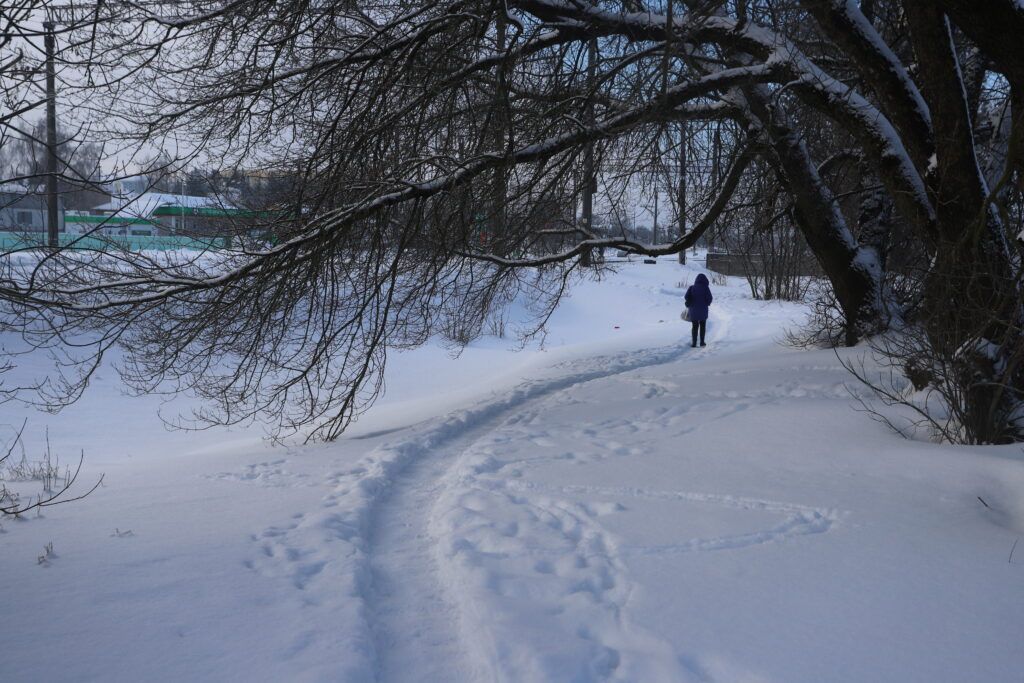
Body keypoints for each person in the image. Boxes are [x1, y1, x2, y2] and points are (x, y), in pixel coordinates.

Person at [684, 273, 713, 347]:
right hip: (703, 311)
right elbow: (710, 298)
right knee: (702, 326)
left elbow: (686, 297)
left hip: (693, 311)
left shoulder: (691, 287)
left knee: (694, 326)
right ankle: (702, 342)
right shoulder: (706, 288)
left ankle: (694, 343)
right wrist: (707, 303)